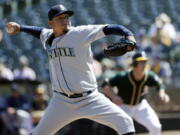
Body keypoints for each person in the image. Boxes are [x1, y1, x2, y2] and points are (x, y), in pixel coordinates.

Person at [6, 4, 137, 135]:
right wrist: (20, 28)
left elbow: (109, 28)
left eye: (66, 17)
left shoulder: (80, 33)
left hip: (89, 99)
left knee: (125, 122)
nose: (65, 20)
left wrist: (129, 36)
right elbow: (39, 31)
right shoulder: (47, 36)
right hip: (61, 102)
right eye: (60, 18)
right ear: (51, 23)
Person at [102, 51, 170, 135]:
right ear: (134, 63)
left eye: (145, 62)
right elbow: (104, 84)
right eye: (140, 62)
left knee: (156, 127)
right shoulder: (123, 76)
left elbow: (159, 84)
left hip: (140, 106)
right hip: (123, 107)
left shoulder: (149, 76)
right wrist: (113, 97)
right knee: (117, 130)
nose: (144, 64)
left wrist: (162, 93)